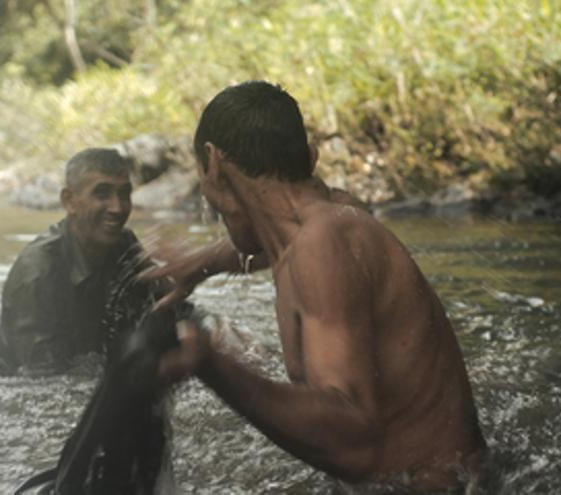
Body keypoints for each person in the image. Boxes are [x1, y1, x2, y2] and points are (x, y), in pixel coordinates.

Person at [145, 81, 487, 492]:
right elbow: (271, 240)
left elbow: (354, 441)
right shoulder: (335, 219)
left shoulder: (322, 246)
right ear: (309, 157)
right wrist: (200, 264)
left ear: (212, 163)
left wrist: (209, 362)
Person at [0, 147, 140, 376]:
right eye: (102, 194)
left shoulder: (124, 245)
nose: (118, 208)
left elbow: (166, 314)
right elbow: (43, 386)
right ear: (69, 201)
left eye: (124, 194)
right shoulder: (37, 273)